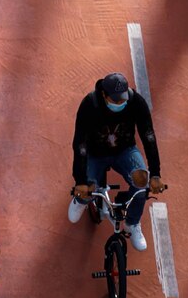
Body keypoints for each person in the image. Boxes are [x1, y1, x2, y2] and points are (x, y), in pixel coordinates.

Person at [68, 72, 165, 251]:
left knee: (142, 181)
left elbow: (148, 137)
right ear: (104, 95)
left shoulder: (136, 102)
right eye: (116, 100)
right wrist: (80, 181)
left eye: (123, 99)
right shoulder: (89, 104)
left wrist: (156, 173)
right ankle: (81, 201)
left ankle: (132, 223)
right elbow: (80, 145)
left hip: (124, 151)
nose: (121, 103)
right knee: (88, 188)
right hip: (95, 154)